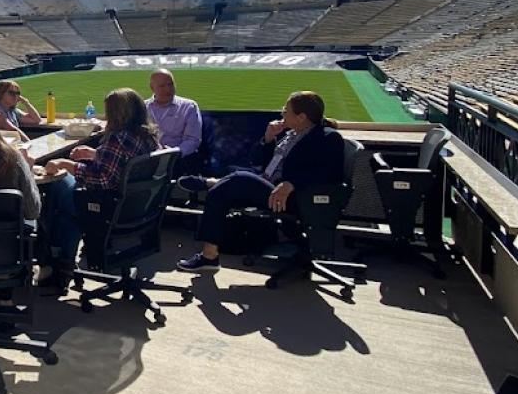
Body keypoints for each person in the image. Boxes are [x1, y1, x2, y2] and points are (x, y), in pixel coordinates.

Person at [177, 91, 346, 275]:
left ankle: (209, 249)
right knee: (226, 186)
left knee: (236, 180)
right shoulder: (291, 135)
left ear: (301, 117)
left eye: (286, 111)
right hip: (270, 183)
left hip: (296, 198)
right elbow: (258, 161)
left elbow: (329, 172)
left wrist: (292, 183)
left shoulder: (327, 138)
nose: (282, 115)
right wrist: (268, 138)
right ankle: (209, 250)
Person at [45, 89, 161, 284]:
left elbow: (103, 180)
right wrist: (95, 154)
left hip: (109, 207)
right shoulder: (146, 136)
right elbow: (124, 162)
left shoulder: (118, 138)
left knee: (58, 188)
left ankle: (59, 262)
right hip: (137, 206)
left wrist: (65, 165)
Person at [146, 69, 203, 173]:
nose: (168, 89)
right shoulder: (142, 108)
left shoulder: (189, 106)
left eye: (170, 84)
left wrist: (175, 152)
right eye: (162, 86)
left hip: (178, 159)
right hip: (148, 159)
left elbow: (193, 139)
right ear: (152, 88)